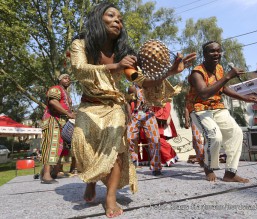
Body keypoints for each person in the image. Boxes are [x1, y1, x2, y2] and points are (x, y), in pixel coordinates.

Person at [70, 2, 196, 218]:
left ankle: (110, 196)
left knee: (117, 150)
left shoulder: (123, 54)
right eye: (111, 15)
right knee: (82, 147)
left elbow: (142, 82)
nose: (117, 20)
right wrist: (114, 67)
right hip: (88, 106)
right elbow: (80, 70)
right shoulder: (80, 44)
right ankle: (91, 180)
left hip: (114, 107)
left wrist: (170, 72)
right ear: (99, 19)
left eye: (120, 18)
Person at [186, 41, 257, 183]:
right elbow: (203, 94)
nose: (216, 54)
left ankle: (230, 173)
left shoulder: (219, 68)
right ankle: (209, 168)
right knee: (215, 136)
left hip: (217, 107)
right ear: (204, 54)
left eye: (218, 51)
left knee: (236, 133)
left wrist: (244, 98)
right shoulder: (197, 72)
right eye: (212, 51)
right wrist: (227, 76)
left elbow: (222, 88)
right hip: (199, 108)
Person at [40, 74, 76, 184]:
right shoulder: (55, 89)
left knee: (60, 148)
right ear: (59, 80)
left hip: (62, 123)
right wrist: (68, 113)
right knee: (51, 145)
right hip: (52, 120)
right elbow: (53, 102)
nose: (68, 80)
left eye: (69, 78)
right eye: (65, 78)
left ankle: (54, 172)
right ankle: (46, 175)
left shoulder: (67, 94)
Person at [153, 102, 178, 167]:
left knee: (160, 140)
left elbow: (166, 109)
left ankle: (170, 157)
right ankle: (166, 159)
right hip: (155, 121)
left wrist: (154, 116)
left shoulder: (164, 100)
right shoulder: (152, 100)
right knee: (158, 141)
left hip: (161, 122)